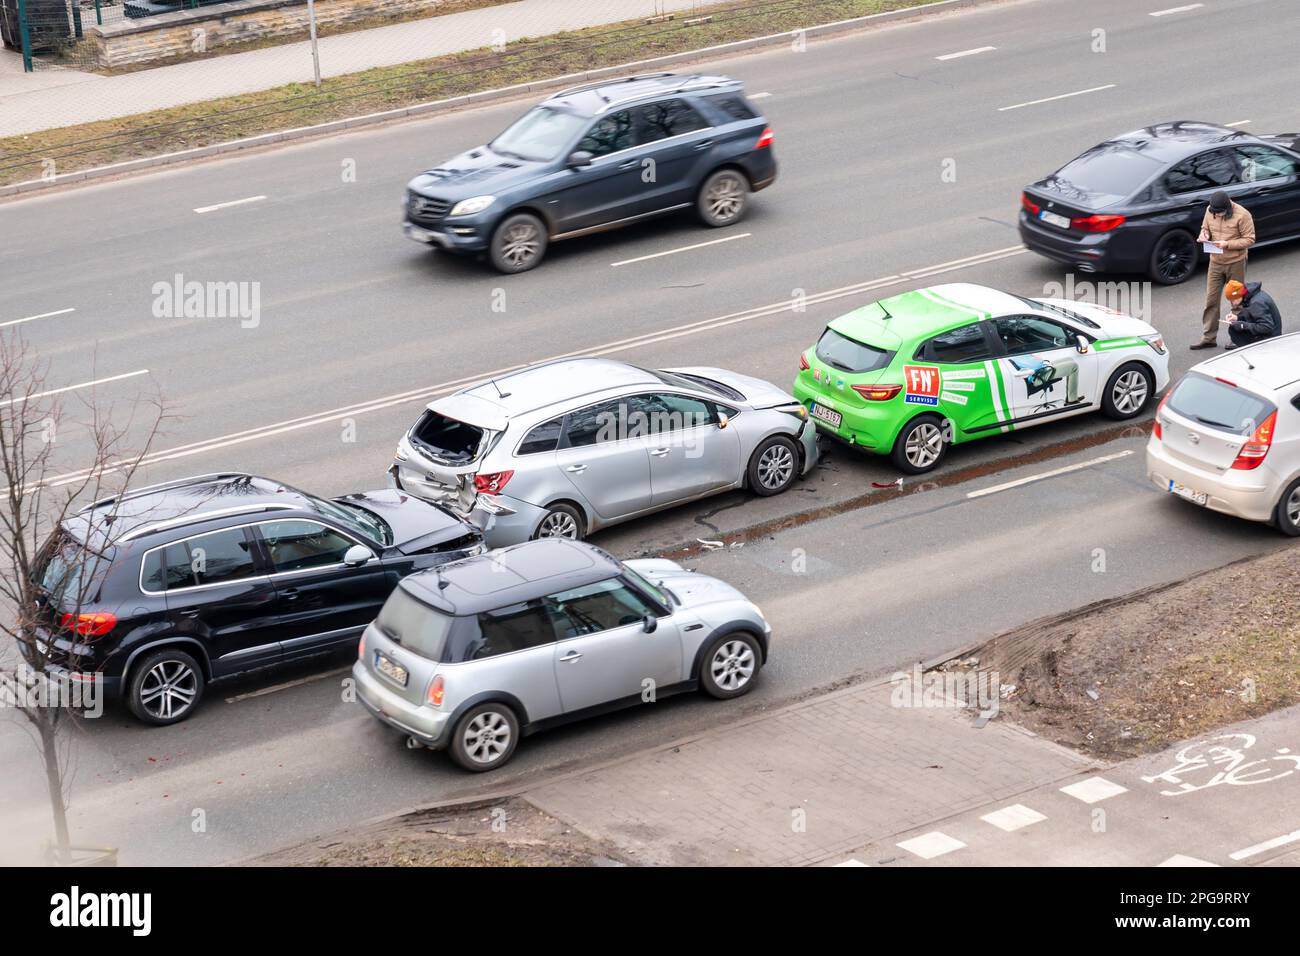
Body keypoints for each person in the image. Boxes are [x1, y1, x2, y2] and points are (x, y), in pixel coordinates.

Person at [1191, 191, 1255, 350]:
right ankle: (1208, 338)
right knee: (1211, 301)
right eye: (1215, 213)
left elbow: (1250, 239)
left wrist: (1227, 244)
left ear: (1228, 208)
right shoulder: (1210, 210)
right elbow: (1205, 227)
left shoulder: (1243, 215)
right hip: (1215, 262)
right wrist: (1203, 235)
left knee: (1236, 301)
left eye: (1220, 213)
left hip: (1236, 263)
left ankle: (1237, 337)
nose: (1217, 215)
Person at [1223, 279, 1282, 349]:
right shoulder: (1251, 295)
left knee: (1235, 331)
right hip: (1272, 332)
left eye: (1233, 300)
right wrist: (1237, 318)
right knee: (1235, 327)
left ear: (1238, 294)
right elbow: (1252, 314)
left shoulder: (1256, 303)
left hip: (1271, 338)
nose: (1233, 304)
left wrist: (1243, 325)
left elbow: (1267, 327)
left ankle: (1251, 349)